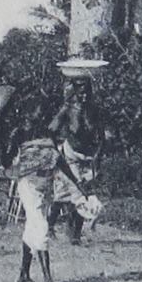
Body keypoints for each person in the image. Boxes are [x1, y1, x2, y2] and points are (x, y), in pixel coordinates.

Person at [6, 93, 66, 282]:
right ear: (27, 114)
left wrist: (78, 185)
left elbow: (59, 161)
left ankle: (23, 274)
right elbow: (5, 158)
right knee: (41, 226)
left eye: (42, 114)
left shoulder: (48, 135)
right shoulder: (20, 133)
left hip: (44, 185)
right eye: (36, 113)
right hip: (28, 184)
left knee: (32, 227)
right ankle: (48, 280)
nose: (39, 117)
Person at [49, 79, 109, 245]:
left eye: (86, 92)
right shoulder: (67, 110)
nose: (83, 96)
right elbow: (51, 130)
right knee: (75, 192)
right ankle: (61, 229)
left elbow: (102, 136)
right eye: (80, 92)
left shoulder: (95, 110)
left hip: (88, 156)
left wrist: (98, 155)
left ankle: (74, 231)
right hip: (70, 155)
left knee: (76, 192)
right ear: (74, 92)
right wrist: (54, 151)